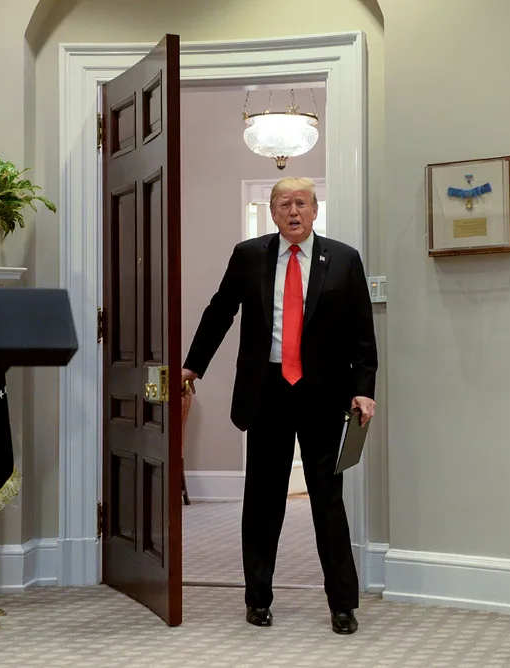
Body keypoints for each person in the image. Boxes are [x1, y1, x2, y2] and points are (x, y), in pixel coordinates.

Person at [181, 176, 378, 635]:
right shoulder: (249, 255)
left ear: (314, 210)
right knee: (263, 500)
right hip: (266, 390)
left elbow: (362, 333)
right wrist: (193, 366)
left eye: (301, 203)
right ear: (272, 213)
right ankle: (257, 598)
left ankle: (343, 605)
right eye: (284, 204)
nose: (293, 212)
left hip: (322, 394)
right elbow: (220, 311)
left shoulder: (344, 259)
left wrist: (363, 388)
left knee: (327, 501)